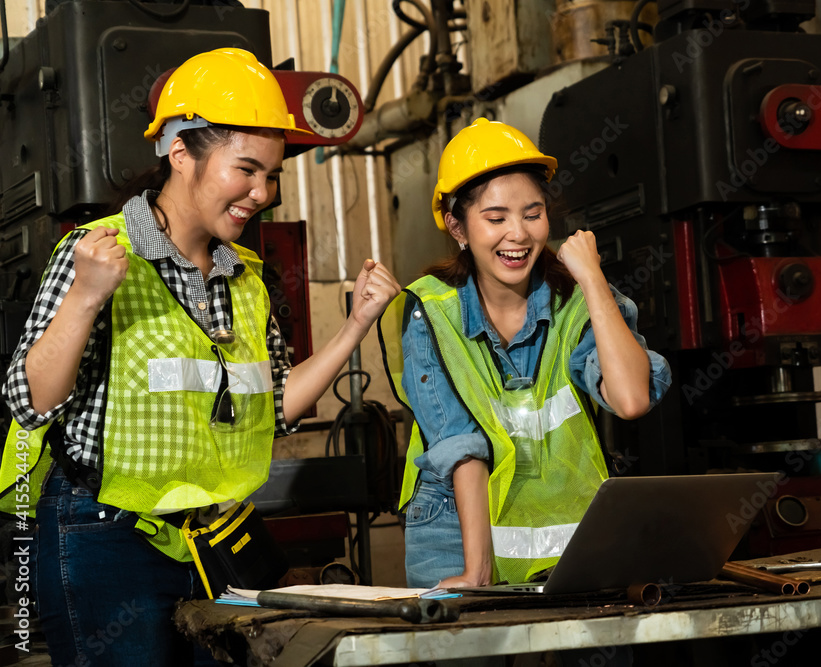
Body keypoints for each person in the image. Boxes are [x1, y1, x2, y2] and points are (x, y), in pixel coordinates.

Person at [0, 48, 400, 666]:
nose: (261, 193)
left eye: (271, 176)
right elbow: (30, 401)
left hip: (214, 542)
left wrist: (354, 327)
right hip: (105, 538)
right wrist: (83, 299)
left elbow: (276, 409)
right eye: (245, 169)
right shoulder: (98, 253)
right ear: (180, 151)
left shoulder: (246, 279)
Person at [380, 118, 671, 591]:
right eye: (496, 218)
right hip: (455, 522)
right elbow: (459, 443)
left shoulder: (578, 300)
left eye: (533, 214)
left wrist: (593, 281)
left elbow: (632, 399)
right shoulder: (430, 311)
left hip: (564, 521)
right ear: (458, 226)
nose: (518, 234)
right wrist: (477, 571)